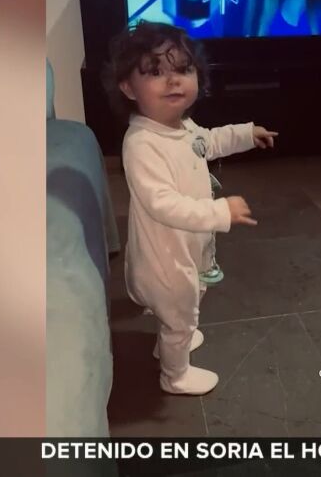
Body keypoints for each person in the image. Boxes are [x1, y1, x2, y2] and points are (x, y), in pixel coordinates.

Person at [104, 21, 278, 395]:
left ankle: (170, 339)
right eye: (155, 72)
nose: (173, 81)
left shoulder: (182, 126)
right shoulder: (142, 144)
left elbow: (208, 142)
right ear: (128, 88)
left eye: (183, 69)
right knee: (181, 316)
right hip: (166, 259)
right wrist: (220, 212)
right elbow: (162, 203)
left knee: (188, 301)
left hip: (187, 247)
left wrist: (245, 134)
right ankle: (175, 375)